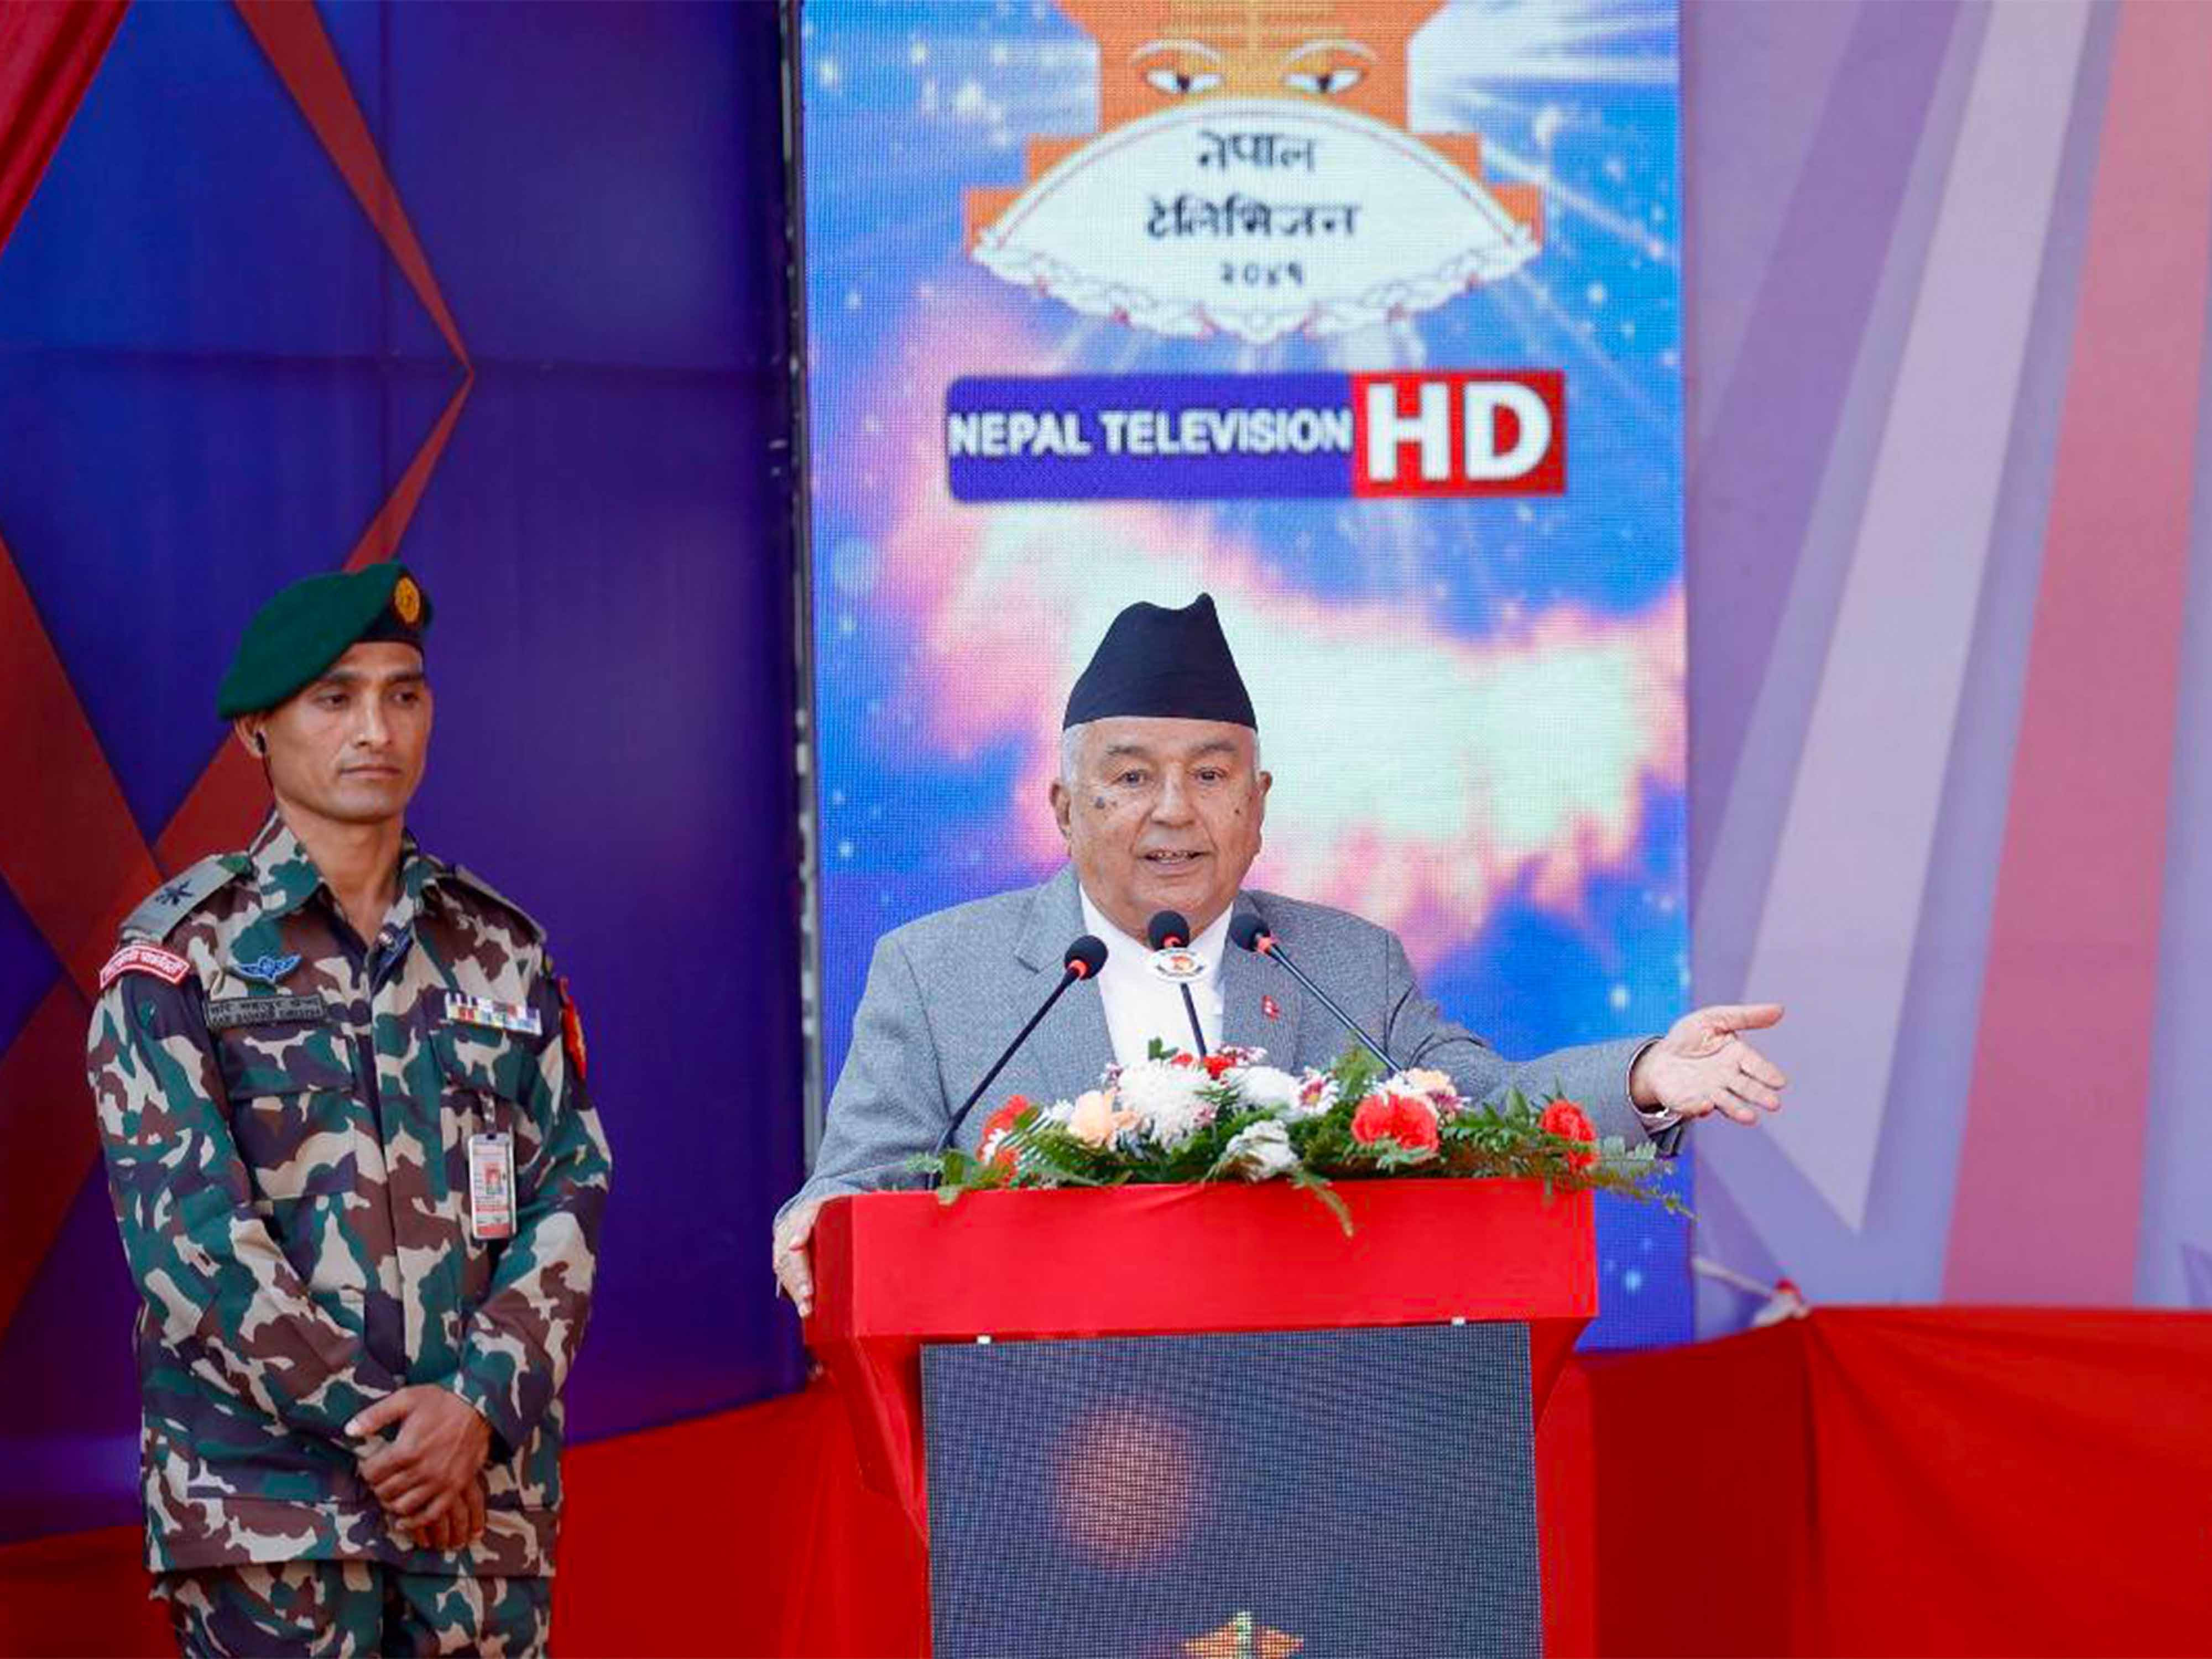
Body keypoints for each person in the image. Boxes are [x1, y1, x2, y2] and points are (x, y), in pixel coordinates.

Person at [773, 594, 1785, 1313]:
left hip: (1303, 1441)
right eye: (1132, 778)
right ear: (1066, 809)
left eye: (1212, 776)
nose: (1175, 811)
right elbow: (863, 1181)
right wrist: (822, 1217)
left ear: (1257, 807)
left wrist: (1645, 1077)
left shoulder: (1343, 965)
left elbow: (1483, 1109)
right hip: (1044, 1442)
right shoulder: (938, 974)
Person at [84, 564, 611, 1656]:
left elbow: (572, 1188)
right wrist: (391, 1436)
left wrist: (474, 1410)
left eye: (402, 694)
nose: (376, 728)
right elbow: (190, 1244)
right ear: (255, 733)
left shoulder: (501, 949)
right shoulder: (182, 959)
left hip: (478, 1508)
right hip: (274, 1517)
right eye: (335, 698)